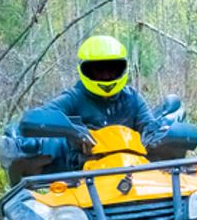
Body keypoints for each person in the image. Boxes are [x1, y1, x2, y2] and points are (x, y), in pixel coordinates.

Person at [35, 35, 169, 150]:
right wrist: (74, 132)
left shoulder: (133, 99)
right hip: (81, 173)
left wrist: (158, 136)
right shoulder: (73, 98)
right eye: (98, 70)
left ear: (122, 68)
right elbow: (38, 118)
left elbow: (150, 128)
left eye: (112, 69)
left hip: (130, 169)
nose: (106, 76)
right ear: (85, 70)